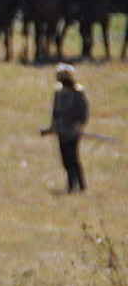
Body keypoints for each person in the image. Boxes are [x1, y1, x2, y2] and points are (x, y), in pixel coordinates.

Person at [41, 64, 89, 193]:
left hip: (72, 132)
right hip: (61, 131)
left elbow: (83, 113)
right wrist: (53, 126)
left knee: (73, 158)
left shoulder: (78, 93)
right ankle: (72, 184)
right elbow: (55, 112)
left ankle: (79, 185)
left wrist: (76, 126)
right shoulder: (58, 93)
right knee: (65, 159)